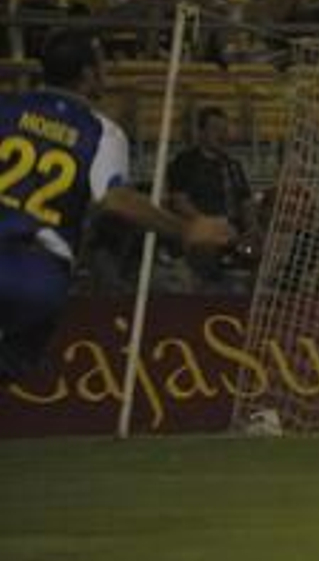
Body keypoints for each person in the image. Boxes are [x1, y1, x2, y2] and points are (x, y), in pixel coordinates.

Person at [0, 32, 234, 383]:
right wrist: (185, 229)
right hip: (39, 271)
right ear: (88, 74)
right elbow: (115, 199)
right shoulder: (101, 132)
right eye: (101, 66)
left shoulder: (7, 109)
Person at [166, 106, 259, 289]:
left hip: (233, 235)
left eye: (224, 130)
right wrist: (209, 225)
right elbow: (179, 202)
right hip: (201, 234)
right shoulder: (184, 162)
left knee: (261, 253)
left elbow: (246, 202)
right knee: (206, 256)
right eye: (215, 129)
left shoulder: (233, 165)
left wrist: (252, 227)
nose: (222, 135)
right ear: (201, 132)